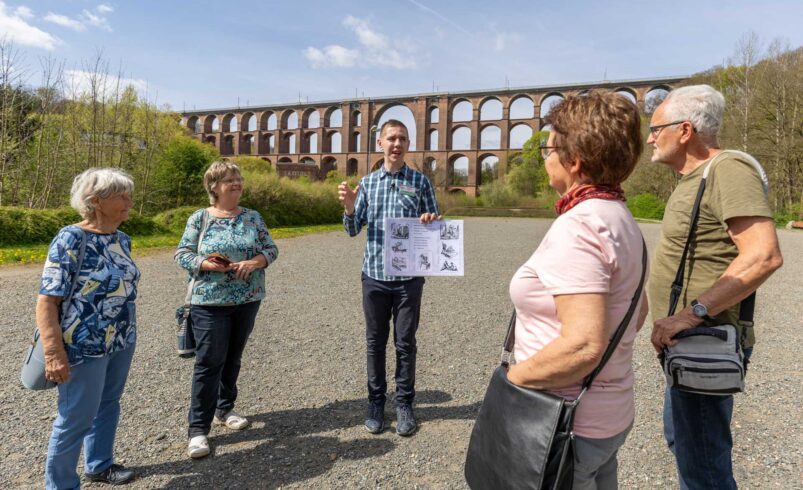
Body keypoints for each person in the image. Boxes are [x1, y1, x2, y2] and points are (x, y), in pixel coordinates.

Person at [505, 91, 649, 489]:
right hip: (608, 413)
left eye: (548, 150)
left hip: (567, 420)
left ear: (575, 160)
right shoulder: (621, 218)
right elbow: (637, 311)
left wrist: (513, 381)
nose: (545, 158)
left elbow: (583, 345)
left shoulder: (580, 225)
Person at [647, 85, 783, 489]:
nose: (650, 138)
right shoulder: (691, 178)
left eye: (656, 128)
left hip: (704, 339)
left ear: (685, 130)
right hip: (685, 342)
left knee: (703, 467)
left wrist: (692, 314)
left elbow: (763, 256)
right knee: (684, 442)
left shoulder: (727, 169)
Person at [38, 168, 140, 488]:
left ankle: (99, 464)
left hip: (121, 338)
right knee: (75, 418)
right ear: (95, 201)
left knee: (109, 403)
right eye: (121, 195)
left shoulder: (122, 239)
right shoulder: (71, 238)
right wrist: (53, 352)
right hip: (83, 344)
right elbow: (47, 301)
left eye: (129, 194)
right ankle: (62, 485)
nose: (129, 201)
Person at [337, 119, 440, 436]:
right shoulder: (367, 184)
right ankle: (376, 402)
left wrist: (430, 220)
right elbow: (353, 231)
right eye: (392, 138)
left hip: (409, 278)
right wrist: (351, 208)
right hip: (375, 276)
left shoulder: (420, 182)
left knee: (406, 343)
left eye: (403, 139)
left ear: (408, 145)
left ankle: (405, 404)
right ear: (380, 143)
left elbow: (435, 226)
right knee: (375, 342)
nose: (397, 144)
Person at [174, 160, 278, 458]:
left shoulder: (253, 217)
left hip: (247, 298)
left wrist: (256, 262)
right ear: (214, 187)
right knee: (209, 362)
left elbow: (271, 248)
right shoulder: (200, 218)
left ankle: (224, 408)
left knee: (233, 358)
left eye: (238, 178)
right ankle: (198, 430)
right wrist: (206, 264)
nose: (236, 183)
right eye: (229, 179)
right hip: (209, 300)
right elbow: (182, 254)